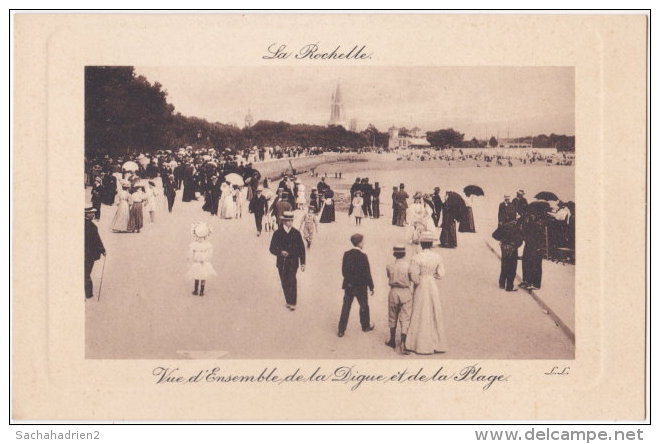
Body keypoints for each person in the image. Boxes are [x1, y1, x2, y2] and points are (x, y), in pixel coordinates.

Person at [404, 231, 448, 355]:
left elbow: (413, 275)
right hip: (431, 284)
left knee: (420, 310)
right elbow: (441, 274)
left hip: (421, 284)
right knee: (433, 310)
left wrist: (418, 280)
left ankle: (419, 343)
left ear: (421, 244)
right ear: (431, 244)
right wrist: (432, 275)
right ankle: (436, 343)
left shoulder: (417, 257)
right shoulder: (437, 257)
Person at [337, 233, 375, 337]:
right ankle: (365, 326)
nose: (364, 243)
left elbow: (344, 271)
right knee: (364, 306)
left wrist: (349, 281)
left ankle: (341, 329)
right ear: (359, 243)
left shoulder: (346, 254)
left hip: (349, 285)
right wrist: (371, 286)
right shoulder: (363, 256)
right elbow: (367, 273)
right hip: (361, 287)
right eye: (362, 241)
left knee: (346, 307)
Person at [269, 211, 306, 311]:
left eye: (291, 220)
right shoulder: (277, 233)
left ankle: (293, 302)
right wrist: (280, 252)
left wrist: (303, 263)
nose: (290, 222)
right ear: (284, 221)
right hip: (282, 262)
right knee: (284, 281)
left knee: (292, 280)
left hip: (293, 261)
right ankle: (288, 300)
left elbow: (302, 249)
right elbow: (272, 248)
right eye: (288, 220)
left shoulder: (296, 233)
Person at [385, 245, 413, 354]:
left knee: (392, 315)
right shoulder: (408, 266)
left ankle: (392, 340)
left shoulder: (389, 266)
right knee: (405, 317)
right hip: (405, 291)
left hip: (393, 291)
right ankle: (403, 343)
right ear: (404, 254)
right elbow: (413, 278)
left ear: (394, 254)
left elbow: (388, 276)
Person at [187, 222, 217, 296]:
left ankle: (198, 290)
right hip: (201, 263)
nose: (200, 239)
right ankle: (199, 290)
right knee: (200, 276)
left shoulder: (197, 245)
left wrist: (192, 259)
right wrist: (204, 259)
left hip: (200, 262)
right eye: (199, 237)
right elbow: (209, 254)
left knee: (200, 275)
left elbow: (191, 253)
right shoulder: (205, 245)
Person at [492, 220, 523, 291]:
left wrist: (502, 240)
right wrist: (516, 245)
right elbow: (521, 239)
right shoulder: (517, 227)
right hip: (513, 249)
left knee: (504, 265)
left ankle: (502, 283)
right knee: (512, 267)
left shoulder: (504, 225)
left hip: (504, 247)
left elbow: (494, 235)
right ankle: (509, 286)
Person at [85, 206, 106, 299]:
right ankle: (88, 294)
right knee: (86, 273)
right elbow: (97, 240)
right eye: (92, 213)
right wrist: (103, 250)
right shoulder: (92, 226)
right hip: (89, 255)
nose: (93, 214)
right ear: (86, 214)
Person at [520, 212, 545, 290]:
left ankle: (536, 284)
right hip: (529, 245)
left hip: (536, 247)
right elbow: (525, 234)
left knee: (536, 265)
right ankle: (527, 280)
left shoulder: (539, 224)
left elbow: (541, 238)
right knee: (526, 263)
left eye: (532, 216)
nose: (530, 217)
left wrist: (539, 247)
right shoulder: (529, 224)